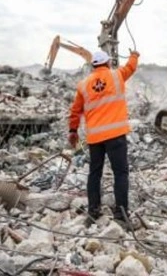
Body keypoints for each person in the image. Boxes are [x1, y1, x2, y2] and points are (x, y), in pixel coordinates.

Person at [68, 49, 139, 226]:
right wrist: (134, 55)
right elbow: (131, 67)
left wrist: (73, 131)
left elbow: (76, 110)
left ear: (93, 65)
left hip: (95, 138)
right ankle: (121, 214)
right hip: (116, 135)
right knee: (120, 173)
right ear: (108, 63)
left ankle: (93, 211)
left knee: (95, 173)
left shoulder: (83, 85)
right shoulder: (117, 76)